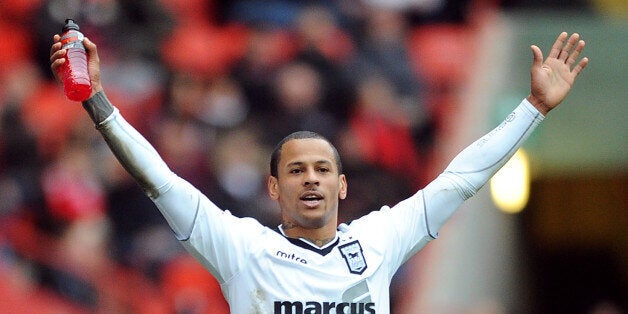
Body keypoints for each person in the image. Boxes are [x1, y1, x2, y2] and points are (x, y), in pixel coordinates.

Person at [49, 31, 588, 312]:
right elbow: (159, 180)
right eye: (298, 170)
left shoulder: (380, 240)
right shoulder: (241, 249)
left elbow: (460, 179)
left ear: (342, 184)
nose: (311, 178)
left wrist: (533, 109)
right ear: (273, 187)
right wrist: (96, 100)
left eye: (323, 169)